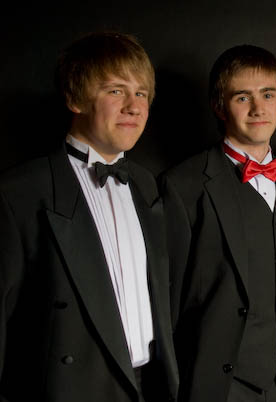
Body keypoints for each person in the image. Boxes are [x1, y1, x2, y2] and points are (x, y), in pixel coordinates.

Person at [0, 32, 178, 402]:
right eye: (116, 90)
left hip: (151, 388)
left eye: (141, 93)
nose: (133, 106)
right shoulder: (20, 192)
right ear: (74, 98)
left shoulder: (147, 184)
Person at [160, 45, 276, 402]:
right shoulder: (182, 185)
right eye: (243, 97)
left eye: (268, 94)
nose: (258, 108)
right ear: (219, 106)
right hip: (218, 386)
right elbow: (167, 306)